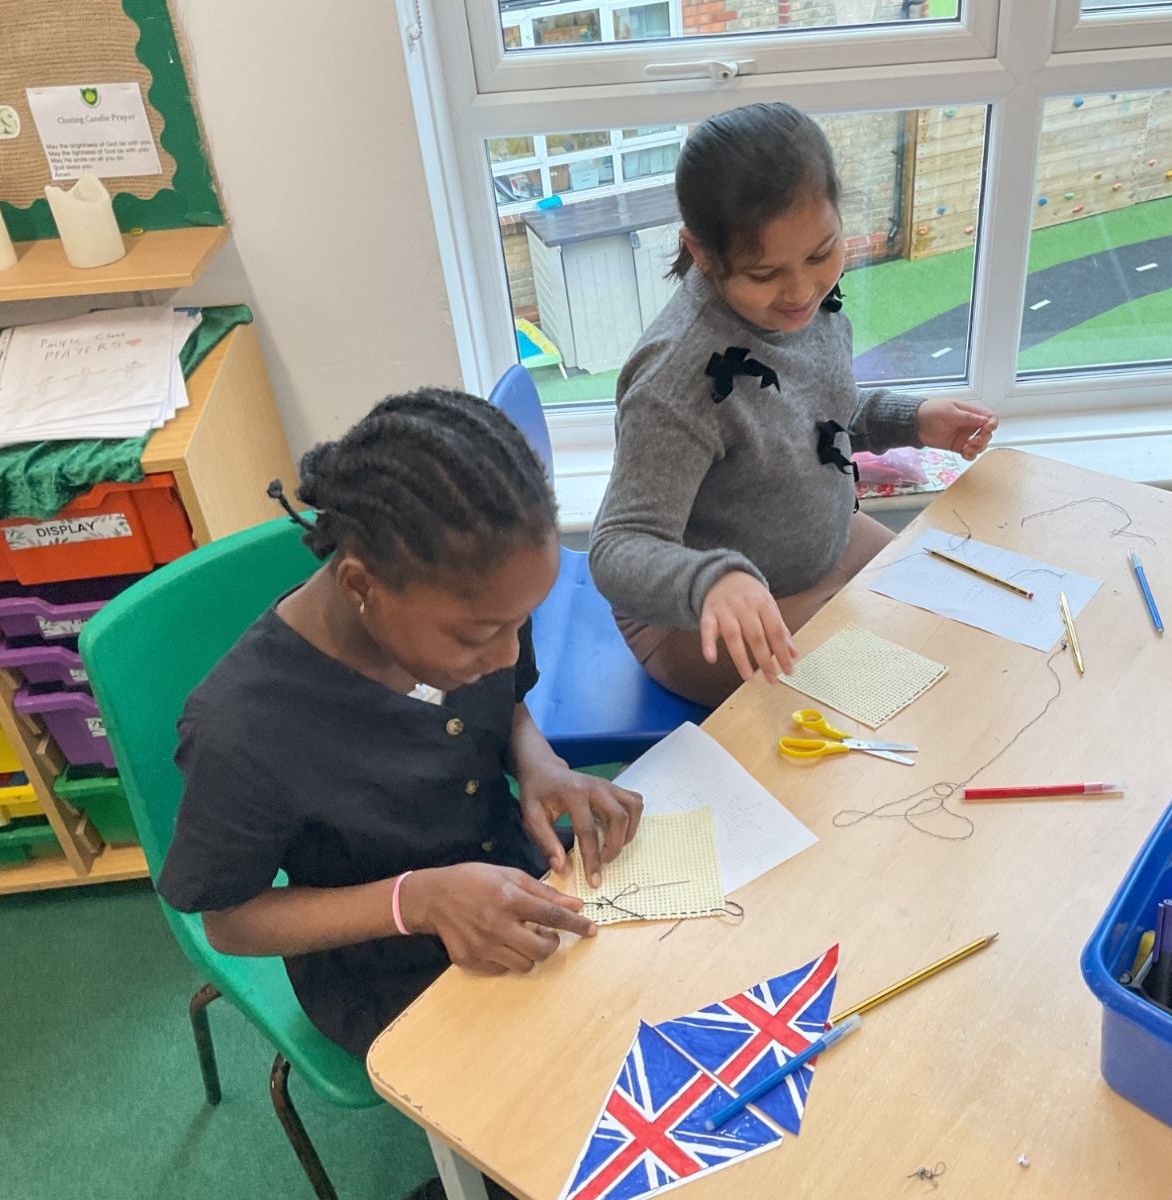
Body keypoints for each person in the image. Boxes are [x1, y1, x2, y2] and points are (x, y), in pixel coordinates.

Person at [157, 389, 643, 1070]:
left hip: (511, 874)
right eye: (480, 635)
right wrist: (417, 900)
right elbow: (229, 920)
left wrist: (540, 766)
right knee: (564, 1086)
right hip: (384, 964)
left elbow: (507, 704)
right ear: (362, 587)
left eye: (519, 622)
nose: (507, 653)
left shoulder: (479, 598)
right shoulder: (244, 729)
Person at [590, 102, 998, 708]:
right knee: (906, 691)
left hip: (820, 550)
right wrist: (711, 582)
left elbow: (811, 416)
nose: (802, 290)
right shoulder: (673, 383)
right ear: (701, 253)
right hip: (694, 617)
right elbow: (617, 548)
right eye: (764, 274)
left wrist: (910, 420)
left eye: (820, 254)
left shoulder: (808, 309)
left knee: (962, 623)